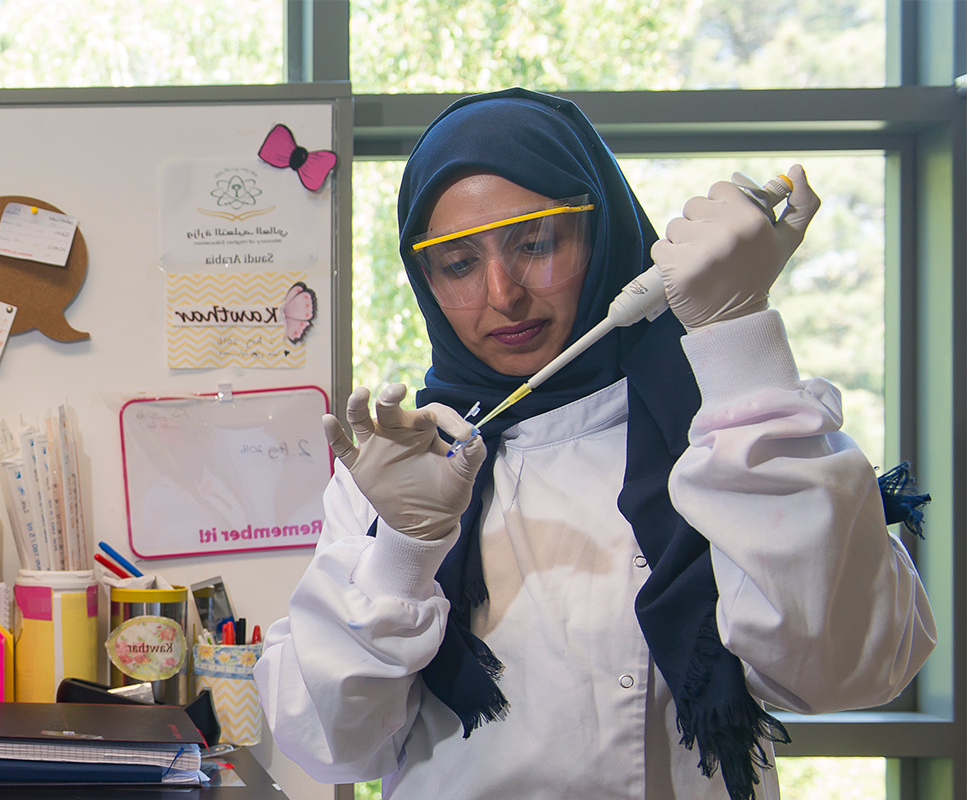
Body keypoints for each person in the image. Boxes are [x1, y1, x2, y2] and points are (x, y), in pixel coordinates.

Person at [253, 88, 936, 800]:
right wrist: (403, 548)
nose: (503, 294)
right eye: (457, 263)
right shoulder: (402, 467)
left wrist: (739, 340)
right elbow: (334, 746)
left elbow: (846, 669)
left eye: (536, 243)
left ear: (604, 231)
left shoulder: (735, 422)